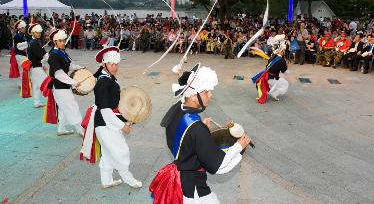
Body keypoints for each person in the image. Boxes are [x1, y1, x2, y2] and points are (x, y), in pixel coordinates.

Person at [150, 63, 251, 203]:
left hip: (181, 177)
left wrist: (198, 132)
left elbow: (180, 138)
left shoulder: (177, 109)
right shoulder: (197, 129)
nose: (210, 95)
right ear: (192, 96)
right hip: (193, 188)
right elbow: (219, 166)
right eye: (205, 92)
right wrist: (239, 146)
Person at [80, 46, 142, 189]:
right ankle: (129, 180)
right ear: (104, 64)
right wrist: (122, 126)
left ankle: (106, 181)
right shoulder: (103, 82)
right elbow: (105, 110)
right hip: (105, 123)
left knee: (108, 154)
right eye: (111, 64)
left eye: (116, 64)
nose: (114, 67)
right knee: (121, 151)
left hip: (107, 122)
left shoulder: (108, 77)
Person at [46, 29, 84, 136]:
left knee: (63, 107)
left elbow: (70, 65)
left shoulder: (62, 52)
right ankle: (80, 129)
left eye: (64, 40)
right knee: (72, 106)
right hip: (59, 86)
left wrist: (80, 68)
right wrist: (73, 82)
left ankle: (61, 129)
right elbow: (58, 74)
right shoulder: (53, 55)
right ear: (55, 42)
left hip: (63, 85)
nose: (63, 43)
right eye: (60, 41)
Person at [252, 35, 289, 103]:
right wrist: (286, 67)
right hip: (270, 78)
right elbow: (285, 72)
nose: (284, 51)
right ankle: (274, 93)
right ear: (282, 50)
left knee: (278, 79)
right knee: (285, 83)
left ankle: (271, 91)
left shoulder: (273, 56)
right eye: (283, 50)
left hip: (265, 76)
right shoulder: (281, 60)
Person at [27, 23, 48, 107]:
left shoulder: (33, 42)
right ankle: (53, 101)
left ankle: (37, 102)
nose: (38, 34)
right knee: (46, 83)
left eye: (39, 32)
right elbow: (42, 55)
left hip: (34, 67)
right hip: (36, 67)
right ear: (33, 33)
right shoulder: (34, 43)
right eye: (36, 32)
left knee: (36, 85)